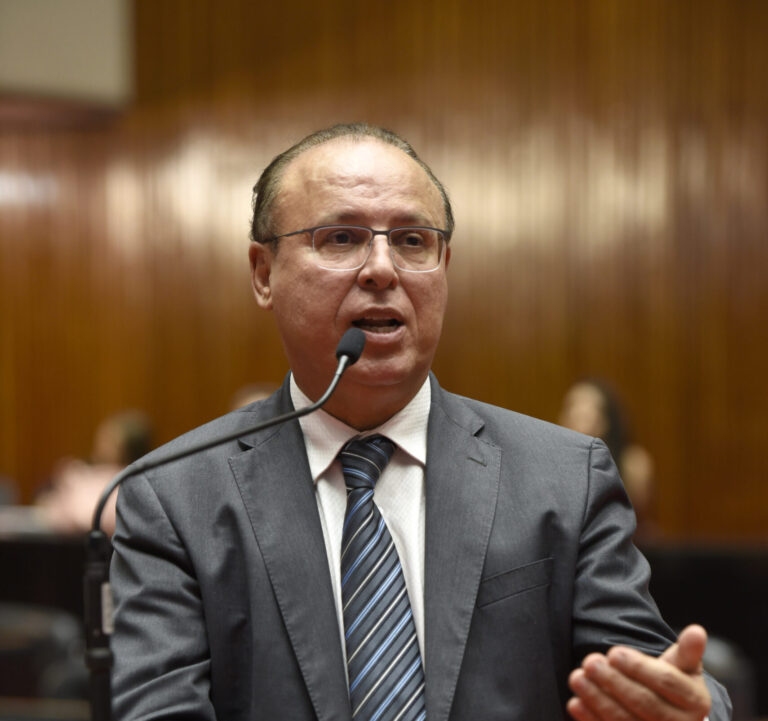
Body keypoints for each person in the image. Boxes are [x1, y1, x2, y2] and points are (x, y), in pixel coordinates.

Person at [110, 124, 730, 720]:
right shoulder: (175, 498)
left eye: (412, 241)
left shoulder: (565, 480)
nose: (383, 269)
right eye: (342, 238)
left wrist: (683, 711)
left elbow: (651, 676)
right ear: (263, 273)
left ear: (444, 265)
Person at [558, 379, 658, 542]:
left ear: (606, 420)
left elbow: (634, 521)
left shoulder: (633, 464)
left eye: (586, 410)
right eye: (571, 408)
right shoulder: (555, 466)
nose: (576, 415)